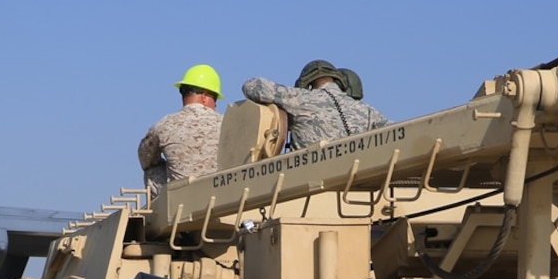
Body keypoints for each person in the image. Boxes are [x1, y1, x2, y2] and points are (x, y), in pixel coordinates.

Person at [241, 59, 387, 150]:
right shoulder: (366, 110)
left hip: (309, 183)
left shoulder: (299, 98)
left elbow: (252, 86)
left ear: (308, 84)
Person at [137, 64, 224, 193]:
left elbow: (145, 158)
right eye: (215, 98)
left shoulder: (164, 125)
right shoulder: (226, 122)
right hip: (222, 191)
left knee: (152, 170)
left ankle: (161, 208)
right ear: (205, 96)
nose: (216, 104)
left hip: (181, 199)